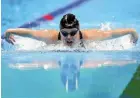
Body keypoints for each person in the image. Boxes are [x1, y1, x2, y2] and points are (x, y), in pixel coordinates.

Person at [4, 13, 138, 47]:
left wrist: (132, 31)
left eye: (73, 33)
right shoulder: (50, 37)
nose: (69, 37)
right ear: (60, 32)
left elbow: (111, 34)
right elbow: (29, 33)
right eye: (64, 33)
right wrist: (8, 32)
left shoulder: (90, 36)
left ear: (78, 31)